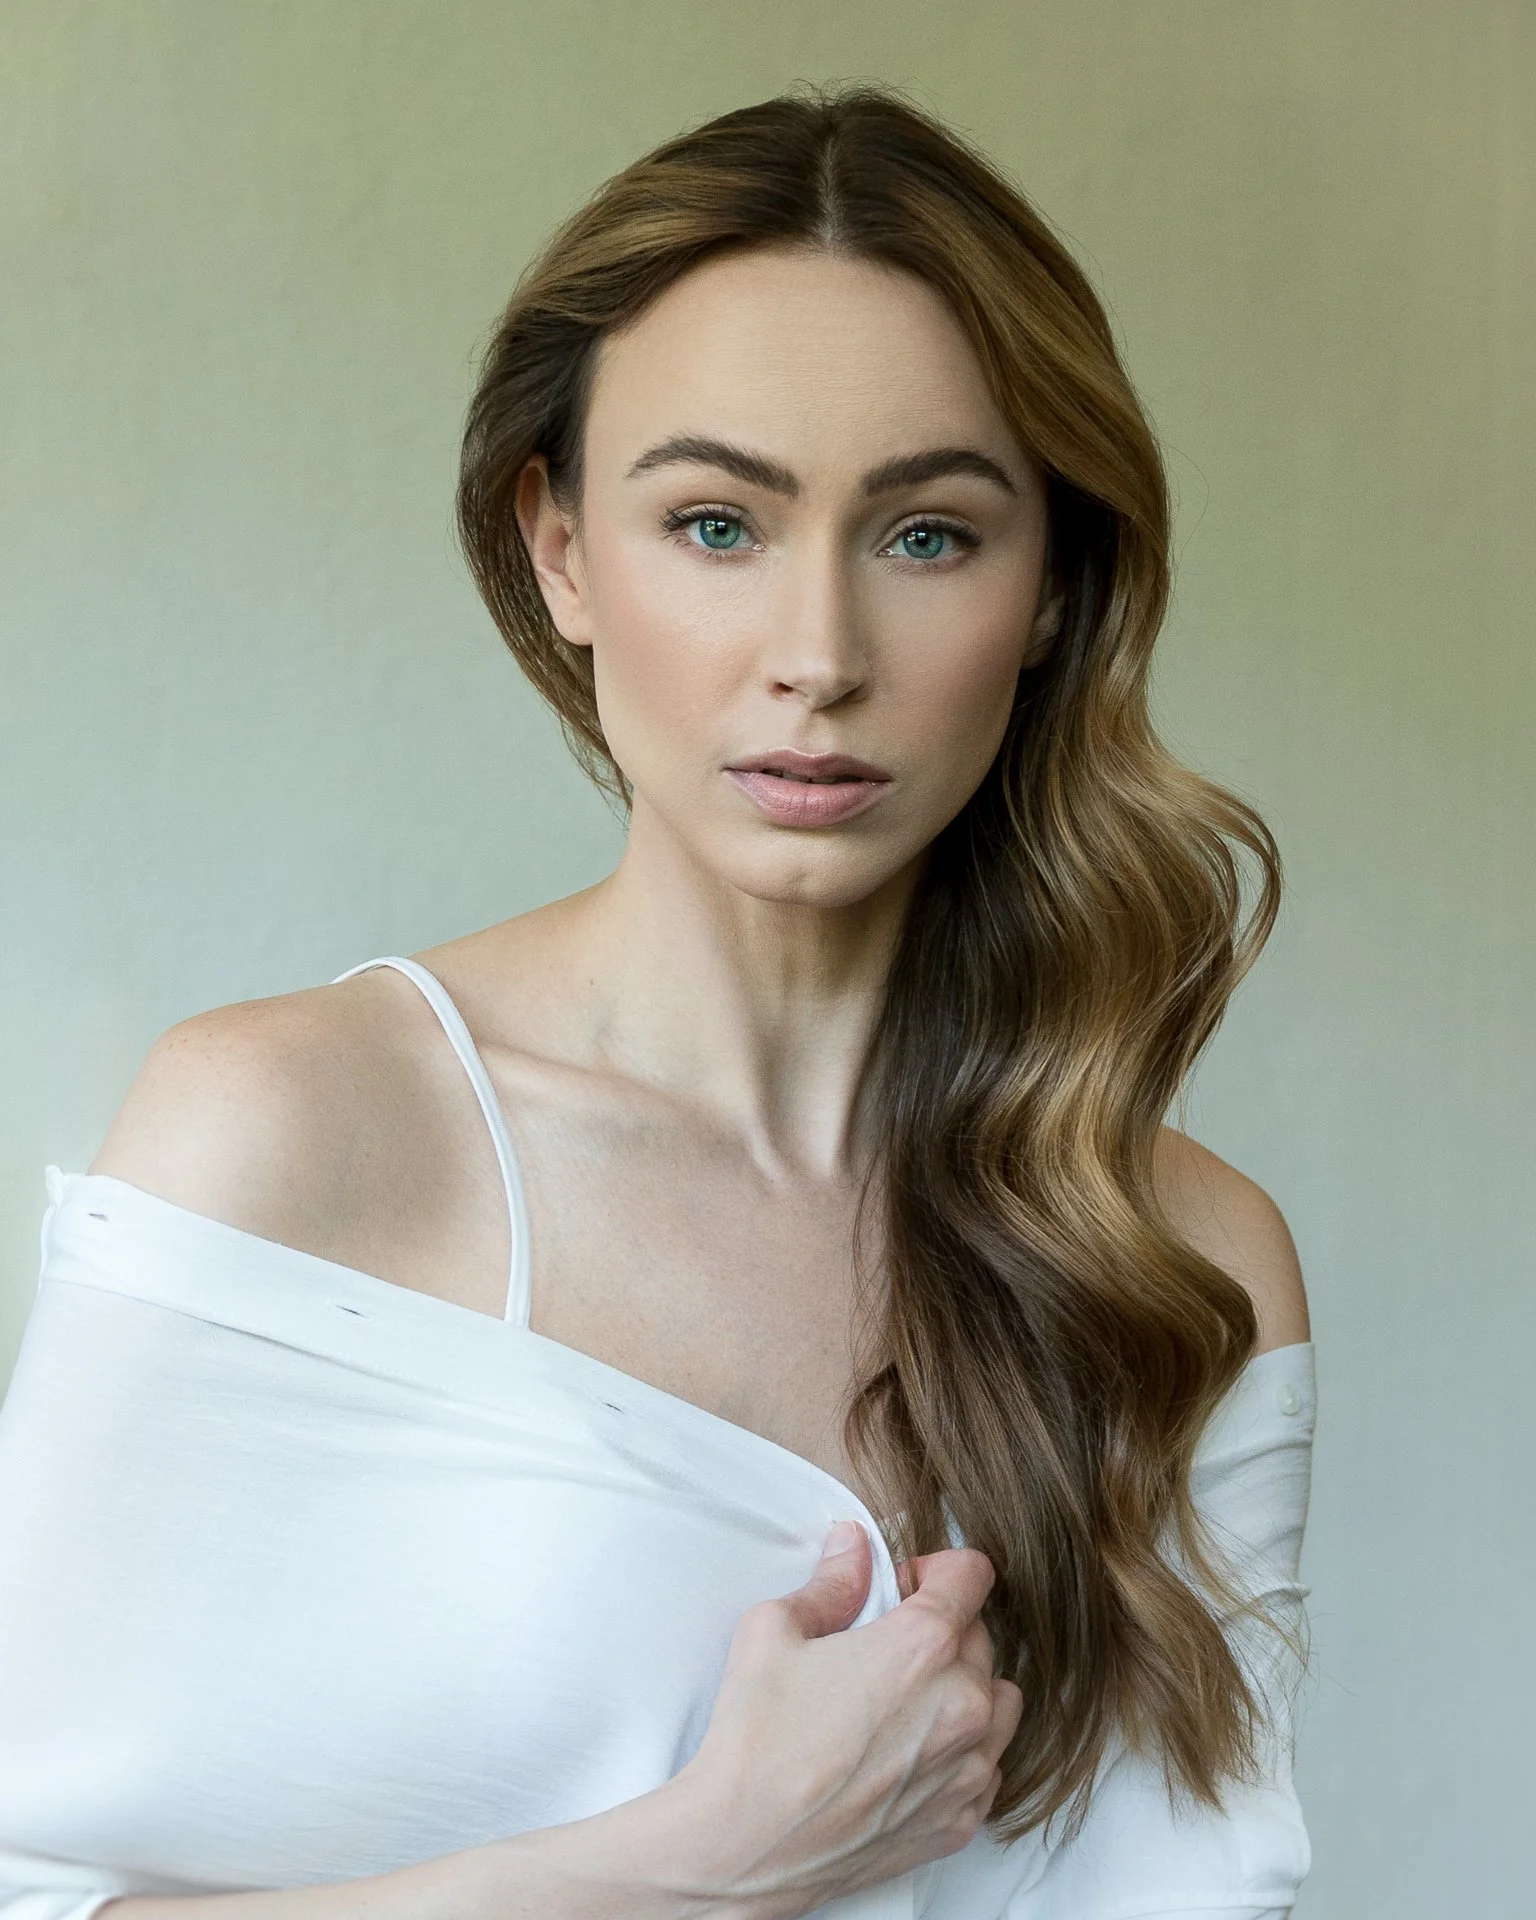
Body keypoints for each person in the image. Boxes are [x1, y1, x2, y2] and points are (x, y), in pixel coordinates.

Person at [0, 85, 1315, 1920]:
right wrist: (702, 1869)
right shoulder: (297, 1136)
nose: (820, 659)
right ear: (559, 552)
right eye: (717, 524)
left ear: (1053, 590)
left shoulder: (1179, 1262)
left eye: (928, 534)